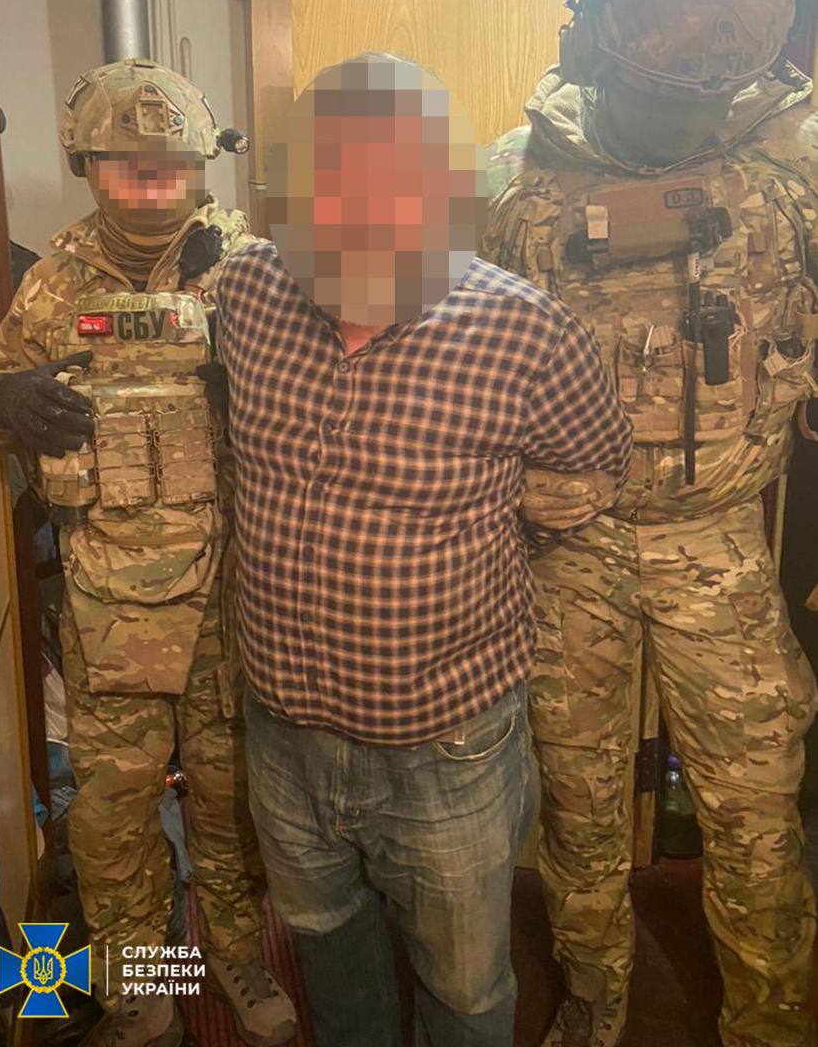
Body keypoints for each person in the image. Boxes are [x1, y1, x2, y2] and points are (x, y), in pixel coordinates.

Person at [214, 52, 633, 1047]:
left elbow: (592, 467)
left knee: (464, 984)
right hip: (283, 728)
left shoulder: (524, 330)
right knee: (325, 941)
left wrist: (483, 529)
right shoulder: (245, 290)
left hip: (446, 745)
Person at [480, 0, 818, 1047]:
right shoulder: (513, 176)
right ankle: (594, 995)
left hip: (718, 538)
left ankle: (772, 1018)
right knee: (574, 795)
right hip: (564, 541)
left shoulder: (794, 170)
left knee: (755, 801)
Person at [0, 59, 297, 1047]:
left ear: (202, 167)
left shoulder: (249, 265)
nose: (152, 191)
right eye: (127, 169)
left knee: (233, 803)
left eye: (171, 169)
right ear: (86, 167)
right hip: (109, 607)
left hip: (233, 603)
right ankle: (143, 983)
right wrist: (2, 399)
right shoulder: (54, 282)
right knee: (111, 815)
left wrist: (247, 349)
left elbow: (329, 399)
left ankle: (234, 956)